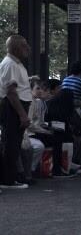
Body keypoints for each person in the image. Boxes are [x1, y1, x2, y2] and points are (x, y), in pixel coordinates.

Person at [0, 35, 32, 189]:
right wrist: (22, 114)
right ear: (16, 48)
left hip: (17, 107)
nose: (28, 48)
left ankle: (11, 178)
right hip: (12, 108)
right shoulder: (10, 64)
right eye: (24, 45)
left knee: (15, 144)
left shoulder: (16, 64)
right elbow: (11, 92)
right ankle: (7, 180)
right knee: (11, 143)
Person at [28, 79, 73, 178]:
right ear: (31, 89)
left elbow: (41, 122)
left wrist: (49, 128)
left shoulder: (40, 102)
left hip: (37, 131)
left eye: (42, 89)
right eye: (38, 88)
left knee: (61, 134)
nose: (41, 91)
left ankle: (61, 166)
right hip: (31, 133)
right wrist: (47, 131)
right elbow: (31, 125)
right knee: (57, 139)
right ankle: (56, 169)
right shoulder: (32, 102)